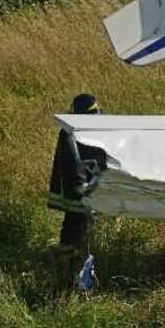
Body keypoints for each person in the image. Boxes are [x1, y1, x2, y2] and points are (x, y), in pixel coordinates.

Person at [48, 93, 106, 278]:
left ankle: (70, 264)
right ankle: (72, 271)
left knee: (75, 225)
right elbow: (73, 163)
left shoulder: (87, 130)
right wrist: (82, 186)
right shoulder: (71, 133)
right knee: (78, 227)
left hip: (81, 190)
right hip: (79, 192)